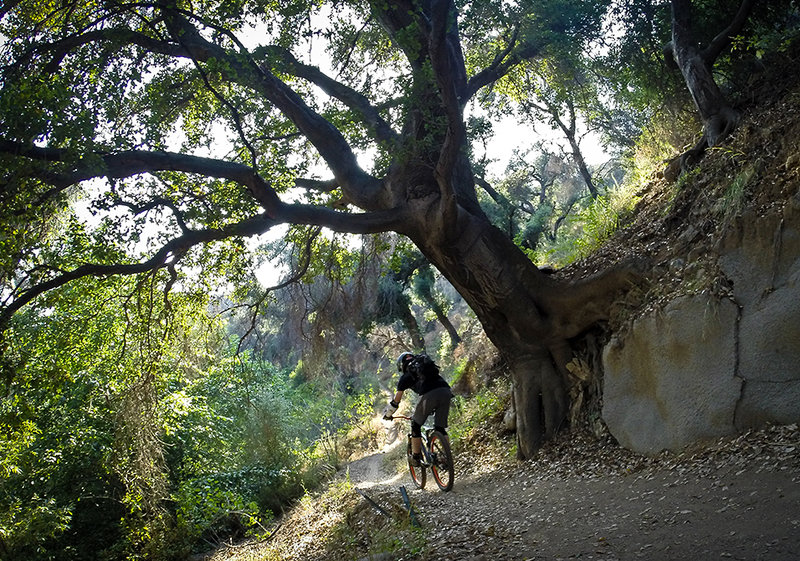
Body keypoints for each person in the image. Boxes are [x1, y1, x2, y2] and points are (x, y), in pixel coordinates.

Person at [382, 352, 453, 466]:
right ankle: (447, 457)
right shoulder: (425, 367)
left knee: (415, 424)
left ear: (402, 366)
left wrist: (388, 415)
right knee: (440, 428)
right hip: (445, 391)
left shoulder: (405, 377)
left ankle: (415, 457)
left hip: (429, 394)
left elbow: (396, 402)